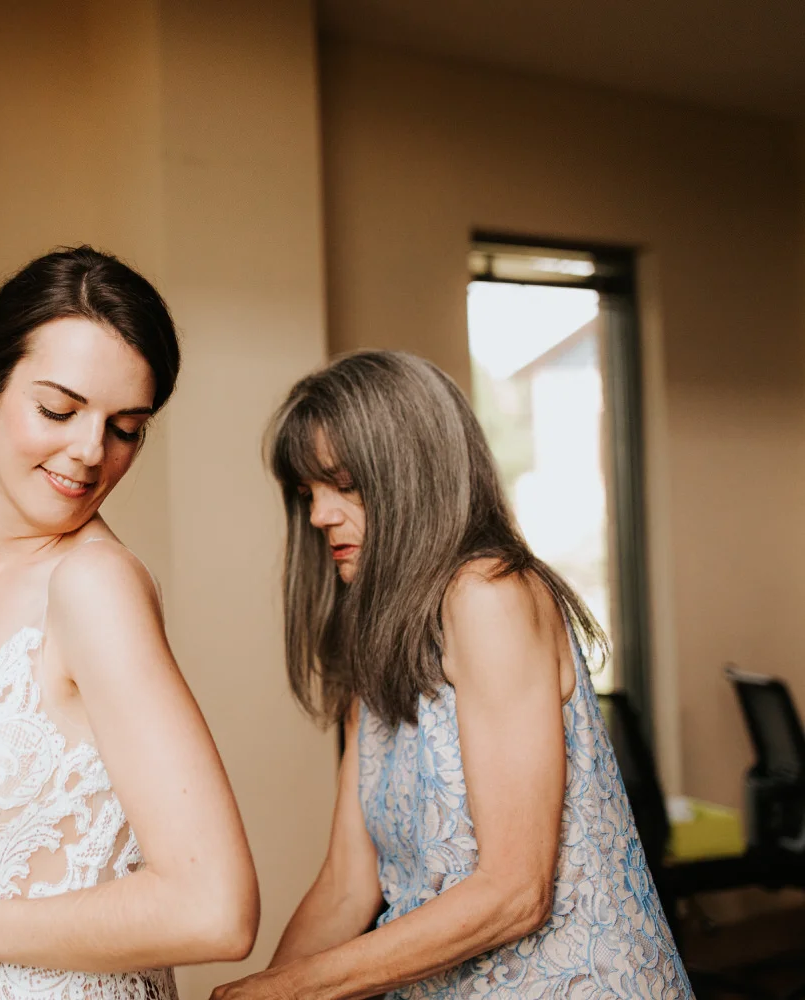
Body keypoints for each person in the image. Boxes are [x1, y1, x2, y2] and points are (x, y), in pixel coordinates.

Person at [0, 247, 259, 999]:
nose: (91, 452)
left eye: (126, 427)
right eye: (60, 411)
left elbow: (216, 908)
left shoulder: (95, 588)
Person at [213, 351, 692, 999]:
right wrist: (264, 987)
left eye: (345, 483)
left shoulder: (489, 596)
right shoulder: (379, 634)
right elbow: (347, 886)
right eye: (308, 493)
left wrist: (291, 990)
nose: (320, 514)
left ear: (414, 476)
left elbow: (515, 893)